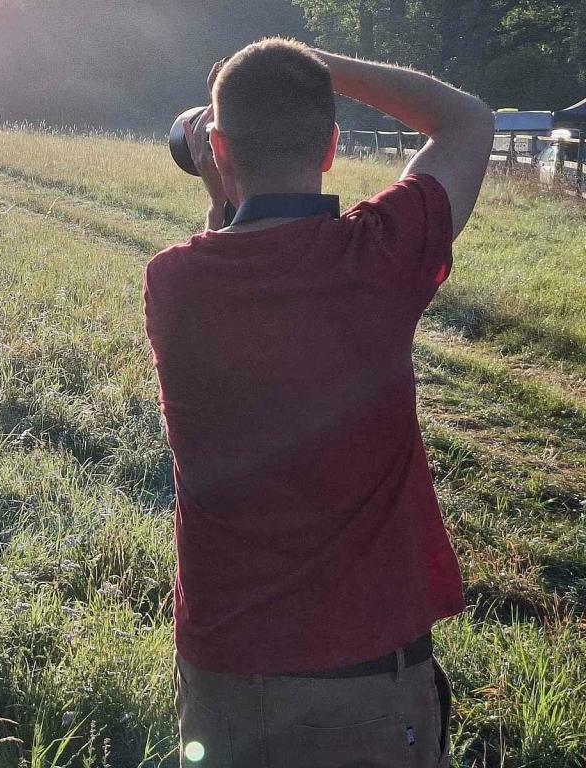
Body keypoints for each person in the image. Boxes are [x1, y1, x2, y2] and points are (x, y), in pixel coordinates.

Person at [143, 39, 494, 767]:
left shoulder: (174, 284)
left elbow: (237, 261)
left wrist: (222, 198)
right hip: (365, 681)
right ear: (332, 146)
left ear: (217, 148)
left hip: (227, 673)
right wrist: (316, 65)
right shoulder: (379, 258)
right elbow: (466, 120)